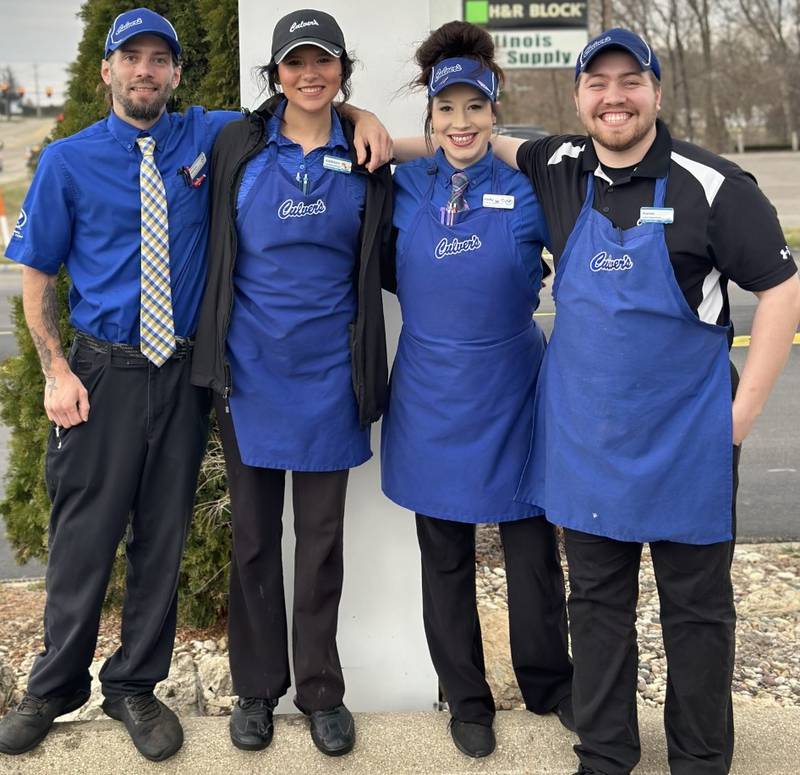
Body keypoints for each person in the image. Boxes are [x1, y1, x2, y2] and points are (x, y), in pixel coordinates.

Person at [0, 6, 389, 763]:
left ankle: (134, 686)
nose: (145, 71)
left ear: (177, 74)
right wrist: (53, 370)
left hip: (183, 374)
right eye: (130, 58)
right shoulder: (67, 161)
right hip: (102, 372)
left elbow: (301, 107)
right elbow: (36, 272)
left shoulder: (208, 135)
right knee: (85, 537)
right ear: (107, 70)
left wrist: (358, 110)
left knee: (163, 538)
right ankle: (52, 686)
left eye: (159, 60)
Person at [489, 28, 800, 775]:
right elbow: (482, 138)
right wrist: (384, 131)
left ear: (656, 92)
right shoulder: (560, 165)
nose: (614, 96)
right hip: (588, 442)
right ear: (578, 97)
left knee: (696, 611)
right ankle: (606, 753)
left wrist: (742, 413)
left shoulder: (715, 185)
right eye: (598, 83)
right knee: (596, 606)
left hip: (688, 440)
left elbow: (782, 288)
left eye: (631, 81)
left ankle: (698, 759)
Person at [190, 8, 392, 758]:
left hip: (331, 380)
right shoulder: (236, 140)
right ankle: (256, 689)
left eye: (325, 63)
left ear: (342, 71)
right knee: (251, 539)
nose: (310, 75)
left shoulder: (367, 153)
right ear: (274, 75)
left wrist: (365, 116)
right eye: (295, 63)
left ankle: (319, 691)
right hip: (249, 377)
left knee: (321, 541)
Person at [381, 21, 573, 760]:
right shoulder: (403, 183)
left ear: (495, 113)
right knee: (446, 554)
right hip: (430, 392)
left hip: (515, 391)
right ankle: (466, 697)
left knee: (531, 550)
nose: (460, 123)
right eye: (446, 110)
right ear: (429, 118)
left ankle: (551, 683)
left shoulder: (529, 186)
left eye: (474, 108)